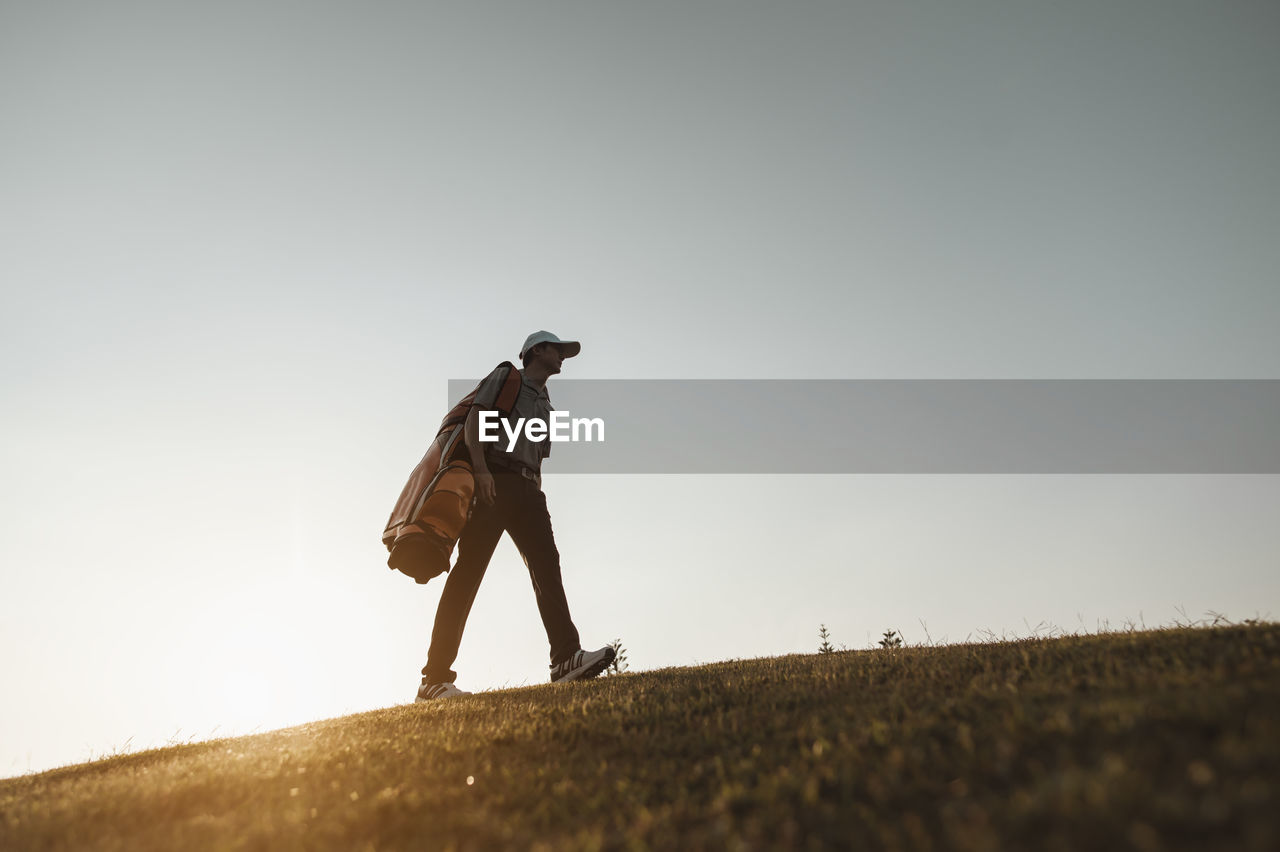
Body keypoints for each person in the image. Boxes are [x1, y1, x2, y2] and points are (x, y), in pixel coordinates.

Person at [416, 331, 616, 702]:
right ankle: (434, 679)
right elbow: (477, 423)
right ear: (536, 351)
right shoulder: (506, 377)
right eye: (558, 350)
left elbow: (538, 454)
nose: (562, 357)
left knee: (547, 566)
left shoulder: (545, 401)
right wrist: (481, 472)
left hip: (528, 491)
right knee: (468, 574)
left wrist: (535, 491)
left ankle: (565, 659)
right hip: (494, 481)